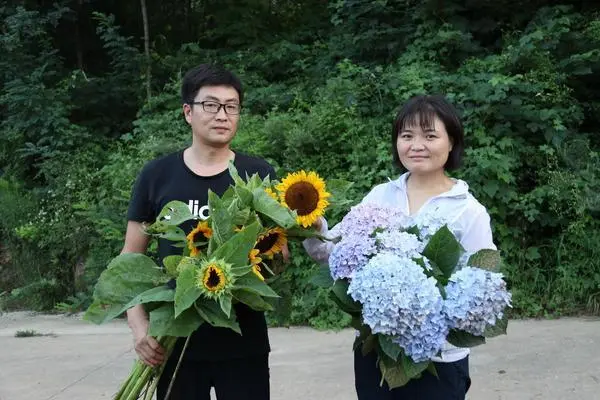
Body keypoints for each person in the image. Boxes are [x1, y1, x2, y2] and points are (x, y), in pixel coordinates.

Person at [303, 94, 496, 399]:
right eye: (407, 136)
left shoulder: (468, 211)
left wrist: (421, 313)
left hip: (438, 359)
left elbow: (482, 289)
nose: (416, 145)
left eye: (430, 136)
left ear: (452, 143)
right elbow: (329, 255)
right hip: (375, 353)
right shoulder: (380, 196)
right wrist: (314, 228)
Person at [122, 64, 276, 400]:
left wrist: (274, 255)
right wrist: (140, 329)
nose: (222, 114)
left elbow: (275, 260)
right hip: (172, 342)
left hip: (242, 341)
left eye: (231, 106)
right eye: (211, 104)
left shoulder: (258, 174)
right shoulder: (157, 176)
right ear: (188, 112)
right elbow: (129, 260)